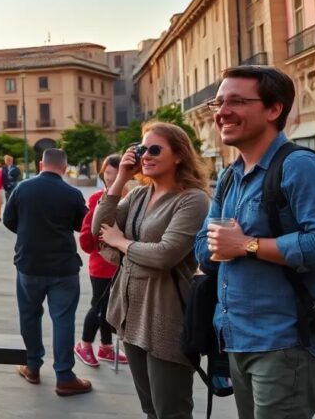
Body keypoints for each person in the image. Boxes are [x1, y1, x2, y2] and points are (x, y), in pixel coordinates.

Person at [194, 66, 315, 419]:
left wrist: (248, 245)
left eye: (237, 101)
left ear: (273, 109)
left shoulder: (299, 166)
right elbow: (203, 247)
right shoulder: (229, 176)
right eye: (219, 102)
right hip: (236, 338)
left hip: (284, 344)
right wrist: (220, 245)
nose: (222, 112)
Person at [95, 122, 210, 418]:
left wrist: (121, 242)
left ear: (179, 155)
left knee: (171, 411)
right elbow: (99, 229)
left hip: (165, 317)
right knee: (150, 409)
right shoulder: (138, 195)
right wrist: (121, 178)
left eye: (155, 149)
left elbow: (165, 255)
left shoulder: (193, 199)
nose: (145, 155)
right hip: (130, 314)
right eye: (142, 149)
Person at [3, 148, 91, 396]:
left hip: (29, 265)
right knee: (63, 319)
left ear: (41, 165)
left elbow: (8, 219)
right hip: (63, 267)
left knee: (29, 316)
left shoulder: (23, 188)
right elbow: (82, 225)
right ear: (64, 167)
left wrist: (29, 232)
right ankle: (64, 376)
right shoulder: (72, 193)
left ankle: (32, 367)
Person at [74, 154, 128, 368]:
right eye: (107, 173)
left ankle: (106, 346)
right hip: (102, 263)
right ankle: (84, 344)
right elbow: (87, 236)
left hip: (126, 262)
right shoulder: (98, 199)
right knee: (99, 306)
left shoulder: (133, 197)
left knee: (110, 308)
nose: (110, 177)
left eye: (116, 173)